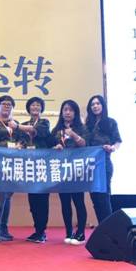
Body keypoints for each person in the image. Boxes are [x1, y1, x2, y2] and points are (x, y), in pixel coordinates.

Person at [0, 95, 24, 242]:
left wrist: (20, 145)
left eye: (9, 104)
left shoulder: (16, 124)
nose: (7, 106)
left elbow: (23, 140)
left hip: (12, 164)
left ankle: (4, 228)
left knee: (7, 196)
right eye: (4, 104)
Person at [49, 99, 88, 245]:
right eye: (65, 110)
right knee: (65, 202)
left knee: (79, 201)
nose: (67, 112)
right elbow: (49, 147)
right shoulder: (56, 130)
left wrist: (73, 135)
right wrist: (55, 147)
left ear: (75, 113)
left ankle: (81, 233)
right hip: (62, 171)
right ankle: (69, 232)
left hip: (77, 170)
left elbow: (85, 144)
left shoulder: (81, 128)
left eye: (71, 110)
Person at [85, 94, 122, 224]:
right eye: (92, 104)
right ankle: (102, 227)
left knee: (104, 198)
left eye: (98, 103)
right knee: (95, 199)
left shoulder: (110, 122)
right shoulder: (87, 124)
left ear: (103, 105)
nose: (95, 106)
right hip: (90, 165)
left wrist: (112, 148)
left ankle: (109, 228)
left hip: (104, 163)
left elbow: (118, 141)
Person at [19, 97, 51, 243]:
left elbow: (37, 131)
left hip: (42, 166)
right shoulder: (25, 124)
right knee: (32, 200)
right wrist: (20, 145)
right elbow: (22, 141)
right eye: (33, 105)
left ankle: (42, 231)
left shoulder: (45, 122)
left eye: (38, 105)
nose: (35, 107)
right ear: (29, 108)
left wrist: (17, 126)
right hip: (29, 166)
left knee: (42, 199)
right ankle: (37, 230)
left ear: (41, 108)